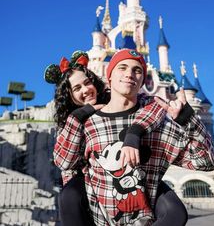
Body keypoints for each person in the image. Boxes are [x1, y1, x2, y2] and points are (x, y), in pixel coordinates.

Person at [45, 51, 189, 225]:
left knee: (175, 212)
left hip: (137, 173)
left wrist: (135, 132)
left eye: (87, 82)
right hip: (91, 180)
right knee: (69, 196)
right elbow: (63, 162)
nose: (85, 90)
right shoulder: (69, 122)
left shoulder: (116, 99)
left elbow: (155, 105)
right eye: (77, 88)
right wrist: (79, 116)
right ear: (68, 96)